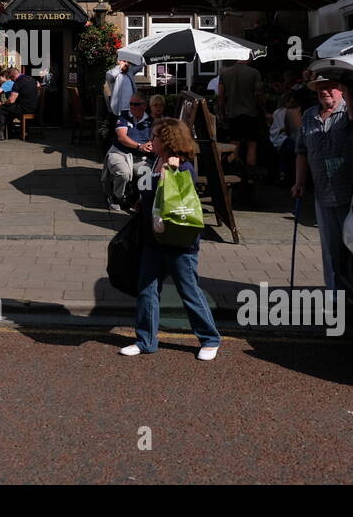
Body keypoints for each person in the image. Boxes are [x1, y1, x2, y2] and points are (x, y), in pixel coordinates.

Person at [119, 118, 222, 361]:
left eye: (154, 137)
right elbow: (150, 195)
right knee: (147, 289)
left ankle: (210, 339)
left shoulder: (182, 167)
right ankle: (146, 340)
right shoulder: (155, 161)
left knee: (188, 291)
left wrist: (169, 173)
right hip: (152, 239)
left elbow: (173, 201)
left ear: (167, 141)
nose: (149, 140)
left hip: (179, 242)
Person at [292, 74, 353, 291]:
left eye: (330, 87)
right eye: (320, 88)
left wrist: (349, 86)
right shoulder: (309, 116)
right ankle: (334, 292)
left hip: (351, 193)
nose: (324, 91)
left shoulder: (351, 110)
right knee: (329, 246)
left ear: (342, 90)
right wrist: (299, 182)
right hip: (323, 192)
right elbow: (301, 151)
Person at [102, 95, 152, 212]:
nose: (132, 107)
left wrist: (150, 144)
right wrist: (139, 146)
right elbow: (121, 137)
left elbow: (154, 137)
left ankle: (140, 202)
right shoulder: (124, 116)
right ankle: (116, 197)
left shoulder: (150, 120)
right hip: (120, 153)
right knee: (123, 173)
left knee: (148, 173)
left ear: (144, 106)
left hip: (139, 158)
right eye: (131, 104)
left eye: (136, 104)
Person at [218, 58, 264, 178]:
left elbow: (221, 96)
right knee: (252, 144)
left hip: (233, 113)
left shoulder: (225, 73)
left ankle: (235, 171)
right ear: (247, 58)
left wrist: (222, 113)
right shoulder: (254, 73)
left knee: (234, 144)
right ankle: (250, 174)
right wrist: (262, 110)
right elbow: (259, 94)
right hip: (251, 113)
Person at [270, 94, 303, 185]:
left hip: (288, 138)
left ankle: (284, 174)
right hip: (284, 138)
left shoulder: (289, 111)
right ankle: (284, 174)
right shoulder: (281, 112)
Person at [0, 66, 38, 137]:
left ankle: (0, 134)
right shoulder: (31, 79)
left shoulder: (18, 82)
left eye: (11, 78)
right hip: (34, 107)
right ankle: (12, 131)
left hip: (24, 109)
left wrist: (4, 103)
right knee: (10, 109)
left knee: (1, 109)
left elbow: (11, 100)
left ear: (13, 75)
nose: (12, 80)